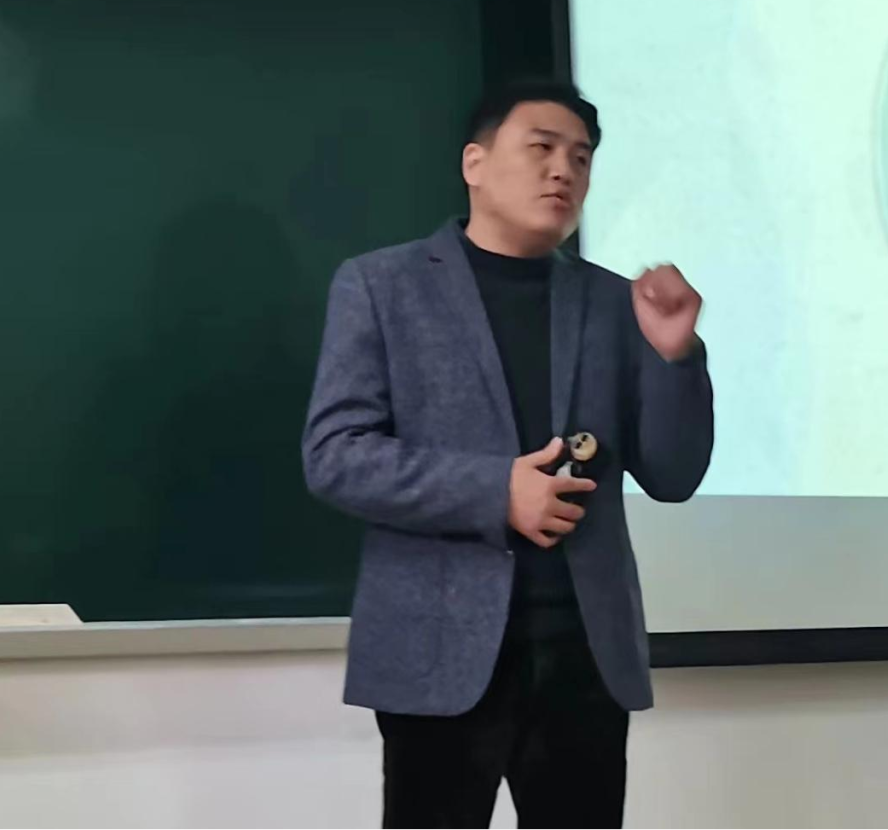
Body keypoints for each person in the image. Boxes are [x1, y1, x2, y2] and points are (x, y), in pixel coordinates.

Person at [301, 78, 714, 830]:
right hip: (438, 656)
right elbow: (336, 455)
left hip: (585, 659)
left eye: (581, 158)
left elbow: (674, 475)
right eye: (541, 148)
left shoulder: (616, 303)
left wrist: (676, 357)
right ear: (475, 163)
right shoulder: (381, 286)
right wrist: (497, 492)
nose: (564, 171)